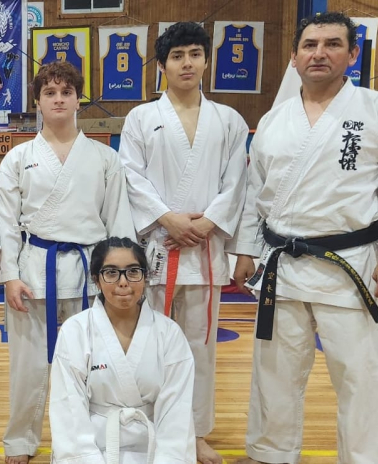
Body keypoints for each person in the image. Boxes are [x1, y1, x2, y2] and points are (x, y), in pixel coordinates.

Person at [231, 12, 378, 464]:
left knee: (360, 375)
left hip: (350, 265)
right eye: (310, 45)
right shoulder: (275, 120)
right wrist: (245, 250)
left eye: (333, 44)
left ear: (353, 54)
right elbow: (254, 195)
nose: (319, 53)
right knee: (274, 372)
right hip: (283, 265)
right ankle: (270, 453)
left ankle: (368, 458)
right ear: (294, 57)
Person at [117, 22, 248, 464]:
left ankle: (194, 433)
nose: (186, 63)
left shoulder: (229, 121)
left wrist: (208, 222)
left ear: (207, 60)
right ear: (162, 65)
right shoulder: (141, 118)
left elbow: (237, 182)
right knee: (148, 344)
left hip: (204, 250)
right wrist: (167, 218)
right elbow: (130, 177)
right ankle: (147, 425)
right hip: (157, 247)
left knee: (199, 349)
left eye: (194, 54)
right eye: (177, 56)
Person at [0, 61, 136, 464]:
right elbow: (6, 224)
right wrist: (10, 276)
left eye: (66, 92)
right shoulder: (19, 158)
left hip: (90, 271)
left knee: (91, 366)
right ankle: (20, 442)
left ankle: (82, 444)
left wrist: (119, 277)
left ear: (78, 100)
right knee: (27, 367)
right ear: (38, 102)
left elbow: (117, 222)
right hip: (34, 270)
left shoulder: (104, 157)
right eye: (49, 93)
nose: (58, 99)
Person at [49, 237, 196, 463]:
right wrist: (88, 458)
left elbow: (177, 412)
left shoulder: (169, 333)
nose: (123, 282)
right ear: (96, 280)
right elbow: (68, 407)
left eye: (133, 272)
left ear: (145, 277)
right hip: (93, 445)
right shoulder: (76, 330)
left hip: (153, 446)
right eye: (111, 273)